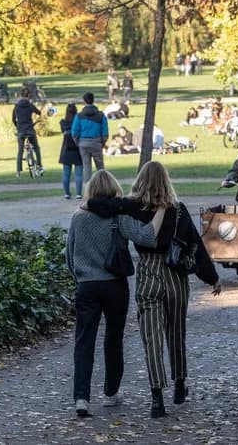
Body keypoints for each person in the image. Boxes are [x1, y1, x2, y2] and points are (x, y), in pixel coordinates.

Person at [87, 161, 221, 418]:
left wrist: (88, 204)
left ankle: (156, 396)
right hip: (175, 277)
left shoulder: (132, 206)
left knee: (151, 338)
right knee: (175, 332)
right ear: (166, 181)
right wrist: (211, 277)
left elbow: (97, 204)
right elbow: (196, 244)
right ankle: (180, 382)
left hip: (148, 274)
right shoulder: (177, 209)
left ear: (140, 180)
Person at [66, 170, 167, 418]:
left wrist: (81, 275)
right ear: (114, 191)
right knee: (113, 339)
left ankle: (81, 397)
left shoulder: (78, 218)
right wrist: (162, 211)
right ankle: (111, 393)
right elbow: (147, 236)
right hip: (114, 285)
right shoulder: (119, 217)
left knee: (84, 341)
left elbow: (68, 255)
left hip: (87, 285)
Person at [72, 92, 109, 185]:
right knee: (100, 168)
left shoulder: (79, 116)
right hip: (96, 143)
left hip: (83, 143)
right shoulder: (101, 115)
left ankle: (88, 189)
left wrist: (78, 142)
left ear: (84, 101)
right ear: (93, 100)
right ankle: (103, 188)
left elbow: (74, 132)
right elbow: (105, 132)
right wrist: (102, 142)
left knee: (87, 168)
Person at [12, 88, 43, 178]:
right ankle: (39, 165)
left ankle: (18, 171)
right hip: (30, 129)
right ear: (28, 95)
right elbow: (39, 112)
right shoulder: (30, 105)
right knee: (36, 147)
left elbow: (13, 119)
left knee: (20, 151)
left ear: (21, 95)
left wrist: (18, 125)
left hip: (21, 130)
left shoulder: (16, 106)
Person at [60, 104, 84, 199]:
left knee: (66, 173)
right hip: (77, 149)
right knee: (78, 173)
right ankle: (78, 193)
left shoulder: (63, 123)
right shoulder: (79, 122)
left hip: (66, 149)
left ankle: (66, 193)